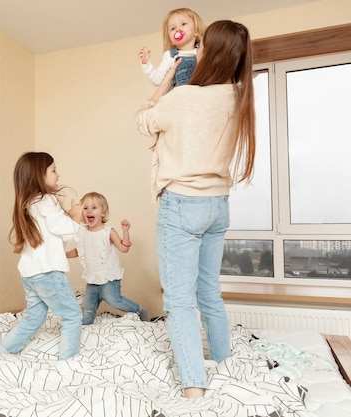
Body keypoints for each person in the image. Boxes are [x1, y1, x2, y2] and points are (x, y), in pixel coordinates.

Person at [136, 20, 256, 399]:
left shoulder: (185, 97)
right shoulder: (239, 97)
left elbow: (144, 119)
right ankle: (223, 360)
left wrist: (167, 76)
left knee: (179, 299)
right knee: (209, 292)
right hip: (218, 207)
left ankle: (193, 387)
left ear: (210, 53)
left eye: (201, 44)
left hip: (183, 204)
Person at [0, 152, 83, 360]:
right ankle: (68, 363)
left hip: (30, 273)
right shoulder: (47, 199)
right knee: (72, 316)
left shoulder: (29, 203)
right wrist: (76, 218)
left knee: (34, 317)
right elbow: (64, 229)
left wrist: (68, 217)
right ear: (39, 176)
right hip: (48, 272)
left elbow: (50, 231)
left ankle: (1, 353)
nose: (58, 174)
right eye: (53, 170)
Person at [66, 192, 149, 325]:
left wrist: (125, 231)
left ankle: (139, 310)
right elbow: (79, 250)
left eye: (94, 207)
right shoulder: (81, 232)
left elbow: (124, 248)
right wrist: (63, 255)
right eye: (85, 208)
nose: (89, 211)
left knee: (114, 300)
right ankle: (84, 331)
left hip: (108, 278)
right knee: (87, 312)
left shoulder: (108, 232)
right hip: (92, 279)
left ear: (103, 213)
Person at [138, 8, 206, 87]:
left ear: (196, 31)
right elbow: (157, 80)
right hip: (180, 95)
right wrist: (146, 63)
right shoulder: (170, 56)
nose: (178, 29)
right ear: (171, 40)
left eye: (183, 24)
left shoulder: (204, 51)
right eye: (173, 28)